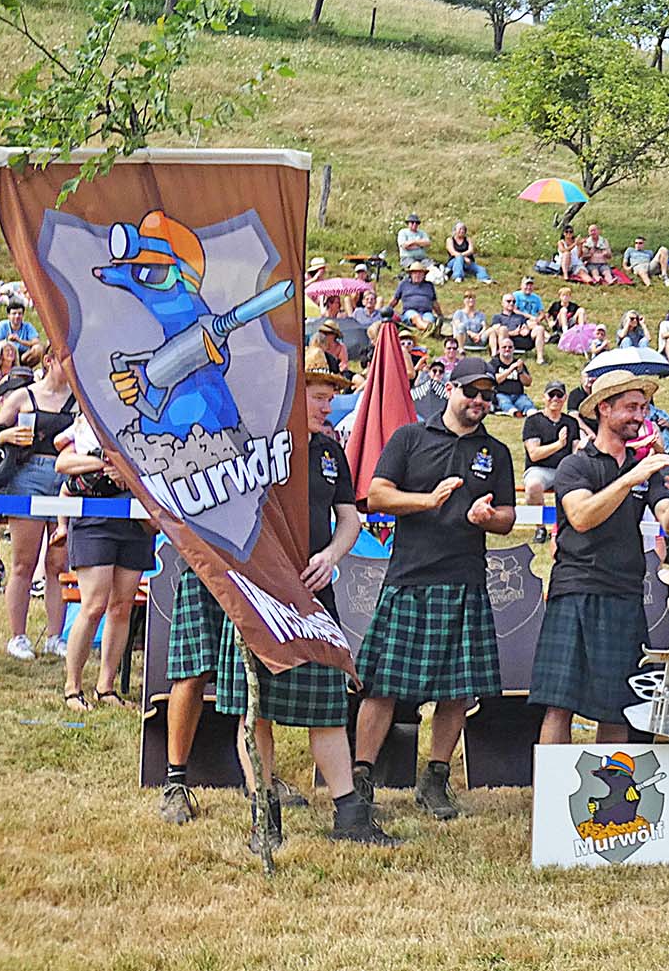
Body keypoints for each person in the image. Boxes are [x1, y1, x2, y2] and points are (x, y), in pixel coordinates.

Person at [186, 353, 398, 846]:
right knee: (252, 709)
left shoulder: (328, 452)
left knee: (326, 706)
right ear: (289, 391)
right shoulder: (251, 449)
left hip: (314, 593)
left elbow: (350, 517)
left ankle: (349, 816)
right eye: (318, 395)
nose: (328, 404)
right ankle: (265, 813)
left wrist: (331, 554)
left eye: (330, 395)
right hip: (259, 595)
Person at [353, 358, 516, 820]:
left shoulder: (496, 453)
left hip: (465, 579)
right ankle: (363, 778)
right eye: (472, 392)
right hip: (410, 578)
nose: (479, 402)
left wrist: (490, 519)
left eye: (487, 396)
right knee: (381, 687)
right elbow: (378, 495)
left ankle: (435, 780)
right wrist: (429, 500)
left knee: (458, 691)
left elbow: (506, 517)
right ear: (450, 389)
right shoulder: (410, 438)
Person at [533, 372, 669, 745]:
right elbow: (582, 517)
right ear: (604, 408)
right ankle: (553, 797)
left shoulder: (646, 468)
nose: (640, 415)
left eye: (644, 407)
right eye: (631, 407)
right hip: (577, 587)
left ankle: (613, 797)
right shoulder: (577, 465)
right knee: (559, 702)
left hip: (624, 591)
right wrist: (628, 478)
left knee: (618, 704)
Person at [53, 415, 153, 712]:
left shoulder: (145, 418)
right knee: (94, 604)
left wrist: (128, 472)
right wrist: (106, 464)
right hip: (93, 516)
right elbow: (63, 464)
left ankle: (106, 687)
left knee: (122, 606)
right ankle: (73, 687)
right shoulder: (86, 420)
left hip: (136, 519)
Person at [0, 342, 73, 661]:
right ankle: (18, 636)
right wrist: (6, 436)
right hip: (28, 474)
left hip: (65, 477)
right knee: (24, 563)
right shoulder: (24, 396)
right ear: (49, 361)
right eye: (63, 360)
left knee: (57, 563)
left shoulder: (78, 401)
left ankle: (55, 636)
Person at [521, 381, 580, 542]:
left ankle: (569, 526)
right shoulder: (533, 421)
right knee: (533, 486)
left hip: (564, 468)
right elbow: (534, 454)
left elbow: (575, 450)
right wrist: (559, 445)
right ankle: (540, 528)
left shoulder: (571, 423)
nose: (555, 398)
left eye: (559, 395)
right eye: (551, 395)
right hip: (539, 469)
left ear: (565, 398)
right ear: (544, 397)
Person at [391, 260, 439, 330]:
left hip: (426, 312)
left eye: (420, 273)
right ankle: (428, 329)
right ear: (411, 274)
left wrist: (440, 315)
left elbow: (434, 302)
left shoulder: (429, 285)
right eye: (415, 273)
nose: (417, 275)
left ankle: (428, 327)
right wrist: (387, 310)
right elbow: (395, 299)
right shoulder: (404, 284)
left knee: (429, 319)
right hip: (410, 312)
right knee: (416, 318)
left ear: (424, 275)